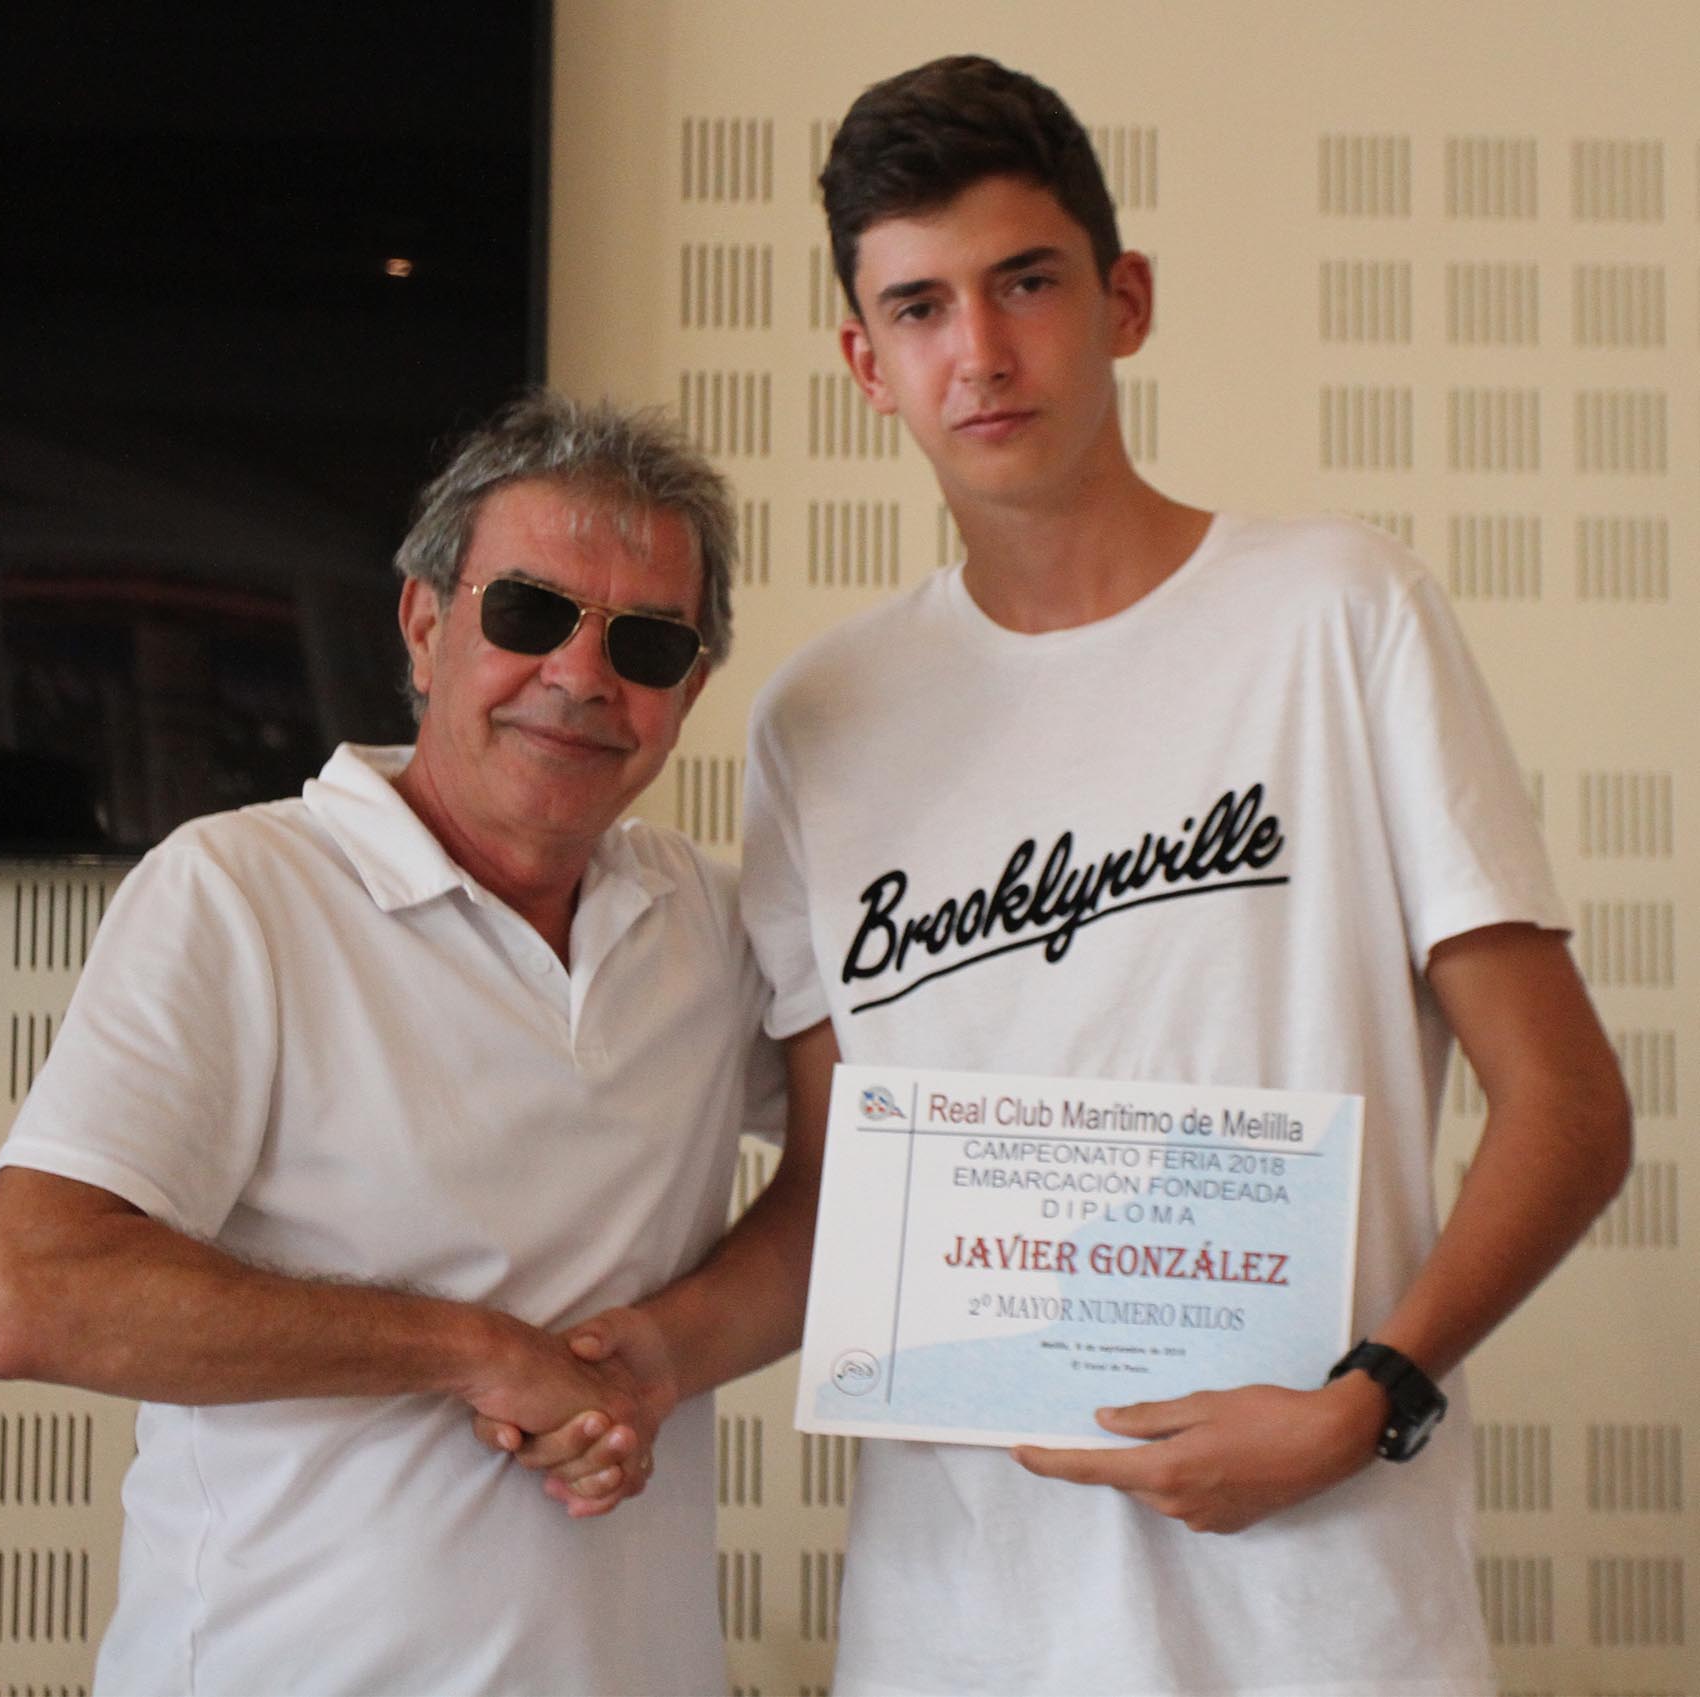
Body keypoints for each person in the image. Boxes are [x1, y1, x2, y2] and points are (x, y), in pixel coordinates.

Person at [529, 56, 1634, 1697]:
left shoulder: (1343, 614)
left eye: (1026, 282)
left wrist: (1368, 1399)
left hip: (1324, 1621)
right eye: (919, 307)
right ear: (865, 361)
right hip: (958, 1633)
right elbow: (844, 1191)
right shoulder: (820, 720)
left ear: (1125, 302)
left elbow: (1570, 1105)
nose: (978, 350)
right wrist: (650, 1355)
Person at [0, 390, 781, 1696]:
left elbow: (874, 1167)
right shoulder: (236, 890)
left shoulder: (711, 927)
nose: (581, 675)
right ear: (424, 624)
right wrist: (473, 1348)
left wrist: (669, 1353)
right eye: (529, 614)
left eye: (645, 640)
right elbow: (33, 1297)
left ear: (687, 689)